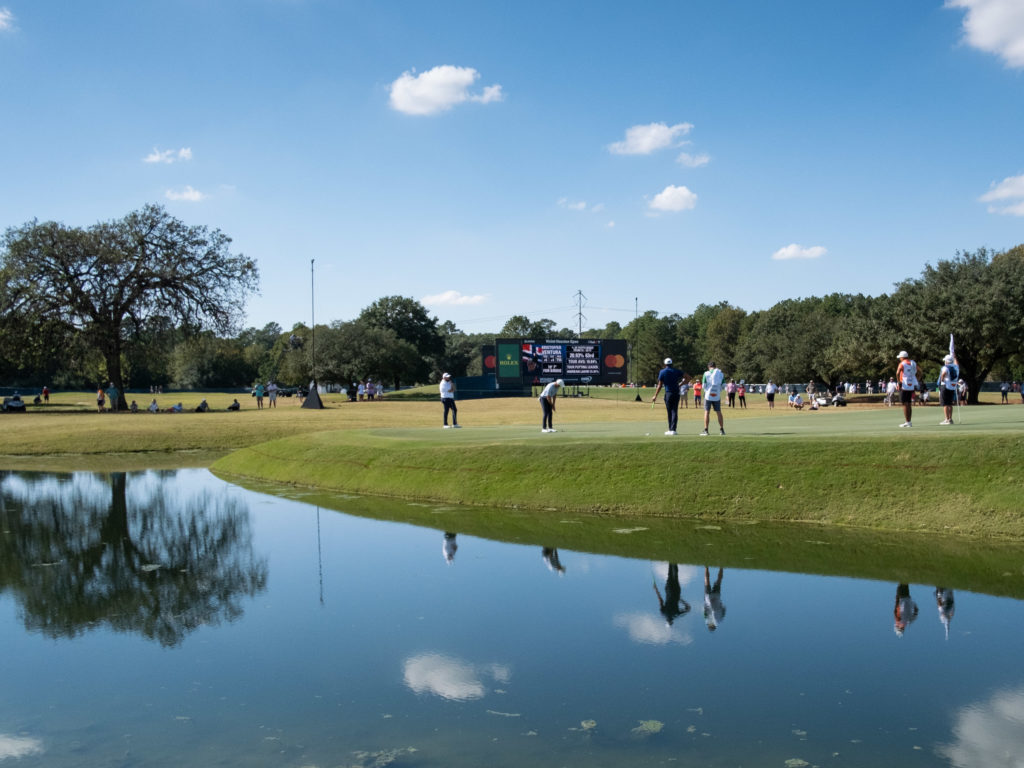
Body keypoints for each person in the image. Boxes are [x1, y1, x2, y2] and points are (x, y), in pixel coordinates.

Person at [650, 357, 682, 435]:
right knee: (674, 411)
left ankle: (670, 429)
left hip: (668, 393)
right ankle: (673, 430)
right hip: (676, 393)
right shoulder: (676, 371)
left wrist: (655, 395)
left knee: (669, 411)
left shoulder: (662, 372)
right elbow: (688, 377)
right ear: (672, 364)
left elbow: (660, 385)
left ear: (665, 364)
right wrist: (680, 384)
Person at [700, 361, 725, 436]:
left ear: (709, 367)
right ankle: (722, 430)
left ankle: (706, 430)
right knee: (718, 412)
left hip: (708, 395)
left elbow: (703, 385)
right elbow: (723, 385)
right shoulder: (720, 373)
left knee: (707, 412)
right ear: (715, 366)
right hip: (717, 395)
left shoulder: (706, 373)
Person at [896, 350, 918, 428]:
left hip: (904, 385)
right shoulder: (913, 363)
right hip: (911, 385)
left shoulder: (902, 364)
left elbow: (897, 373)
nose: (899, 359)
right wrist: (916, 379)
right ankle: (909, 421)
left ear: (902, 357)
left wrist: (899, 382)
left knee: (905, 403)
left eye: (900, 357)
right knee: (908, 403)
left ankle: (907, 422)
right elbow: (920, 372)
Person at [938, 354, 959, 425]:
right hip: (952, 387)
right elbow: (957, 363)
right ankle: (950, 419)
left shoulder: (945, 367)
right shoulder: (956, 367)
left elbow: (943, 373)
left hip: (945, 386)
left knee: (945, 403)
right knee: (950, 403)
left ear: (947, 361)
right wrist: (955, 357)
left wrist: (942, 380)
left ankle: (947, 419)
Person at [703, 567, 726, 632]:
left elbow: (724, 609)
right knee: (707, 581)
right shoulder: (706, 620)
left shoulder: (719, 620)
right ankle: (706, 566)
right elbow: (704, 610)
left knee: (719, 581)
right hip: (708, 599)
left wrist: (720, 605)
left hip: (716, 597)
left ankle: (721, 567)